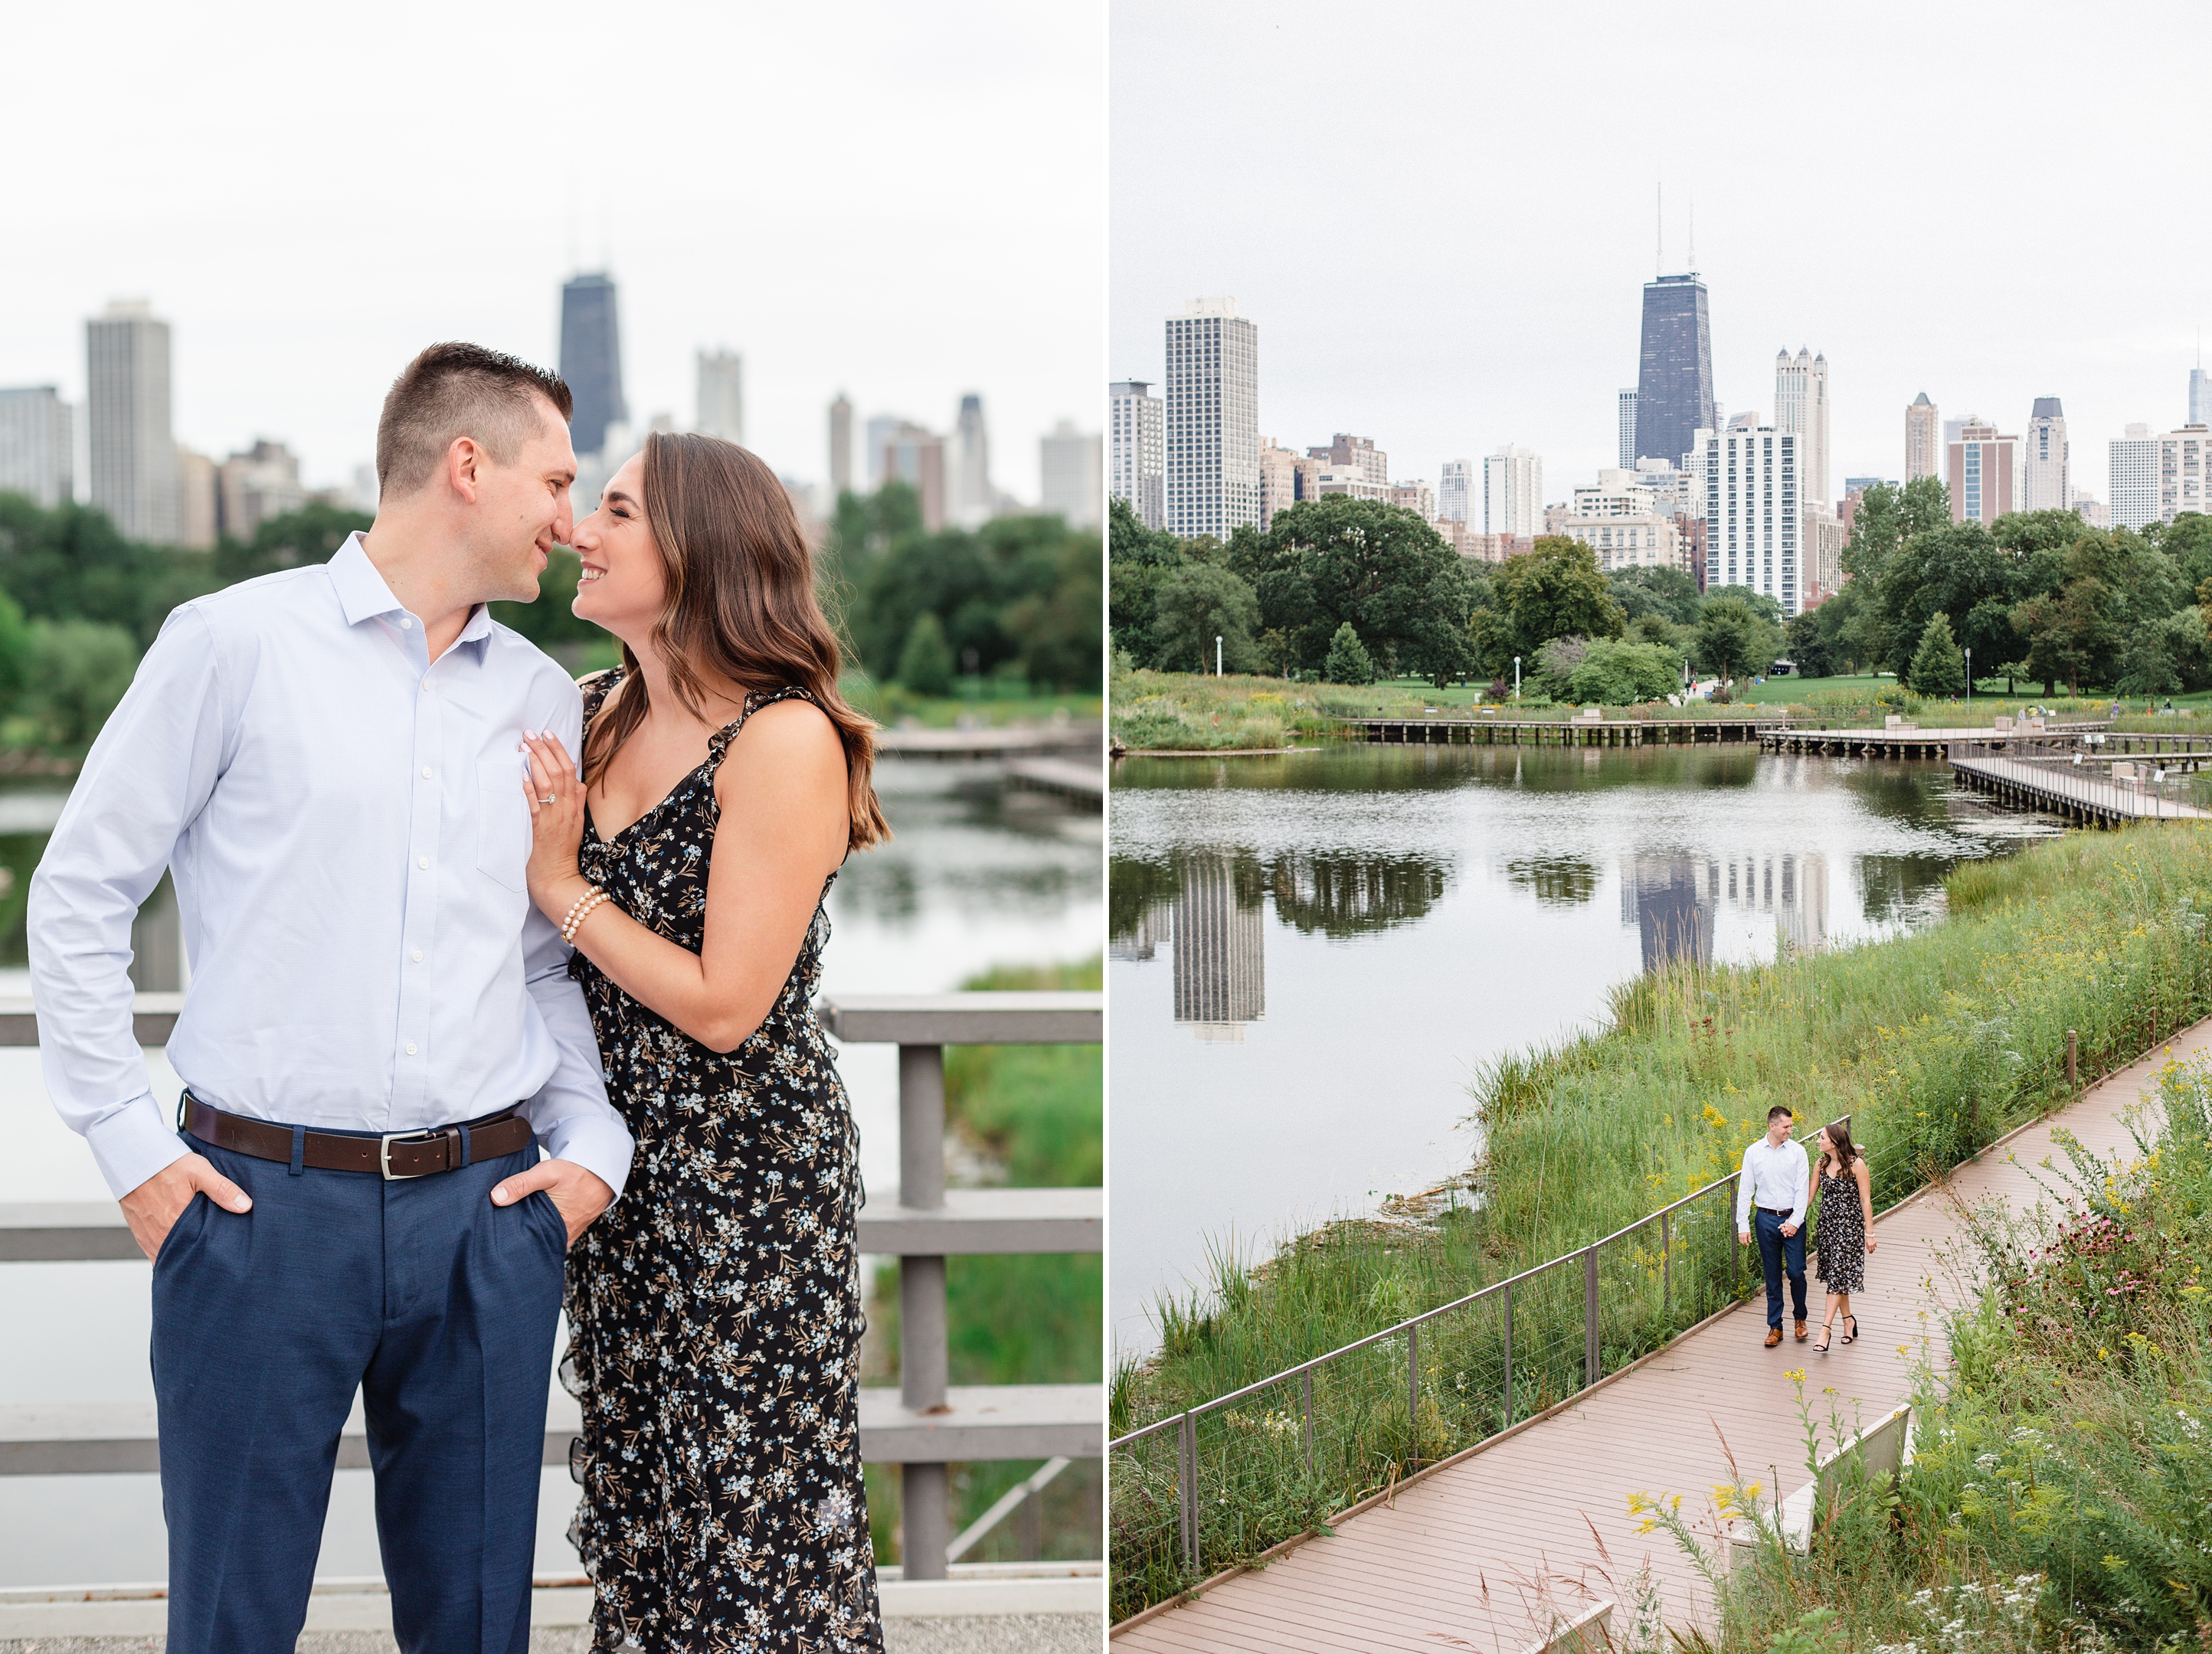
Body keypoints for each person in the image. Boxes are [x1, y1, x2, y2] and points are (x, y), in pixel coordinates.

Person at [28, 343, 636, 1654]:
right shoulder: (230, 646)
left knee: (476, 1629)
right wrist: (132, 1150)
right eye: (555, 480)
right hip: (257, 1218)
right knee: (233, 1625)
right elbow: (78, 898)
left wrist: (594, 1146)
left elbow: (535, 958)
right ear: (466, 468)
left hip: (486, 1218)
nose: (570, 521)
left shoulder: (540, 697)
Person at [516, 430, 892, 1652]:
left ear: (697, 550)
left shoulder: (785, 739)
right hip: (619, 1170)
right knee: (647, 1502)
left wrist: (564, 888)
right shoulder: (589, 717)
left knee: (757, 1526)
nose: (582, 530)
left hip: (749, 1184)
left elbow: (729, 1005)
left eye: (615, 511)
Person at [1734, 1104, 1810, 1346]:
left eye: (1791, 1126)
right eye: (1786, 1126)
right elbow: (1746, 1189)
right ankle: (1775, 1327)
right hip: (1765, 1218)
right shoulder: (1754, 1152)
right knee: (1772, 1274)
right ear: (1772, 1126)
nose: (1790, 1130)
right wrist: (1742, 1224)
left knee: (1796, 1271)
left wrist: (1795, 1221)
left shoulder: (1798, 1152)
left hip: (1793, 1217)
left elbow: (1803, 1190)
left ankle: (1800, 1319)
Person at [1811, 1121, 1875, 1352]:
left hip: (1850, 1229)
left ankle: (1824, 1330)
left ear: (1835, 1141)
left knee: (1838, 1276)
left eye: (1822, 1138)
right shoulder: (1820, 1164)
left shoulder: (1857, 1165)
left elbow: (1866, 1201)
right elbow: (1809, 1198)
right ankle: (1849, 1322)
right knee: (1838, 1276)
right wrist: (1790, 1220)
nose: (1818, 1142)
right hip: (1828, 1228)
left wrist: (1870, 1233)